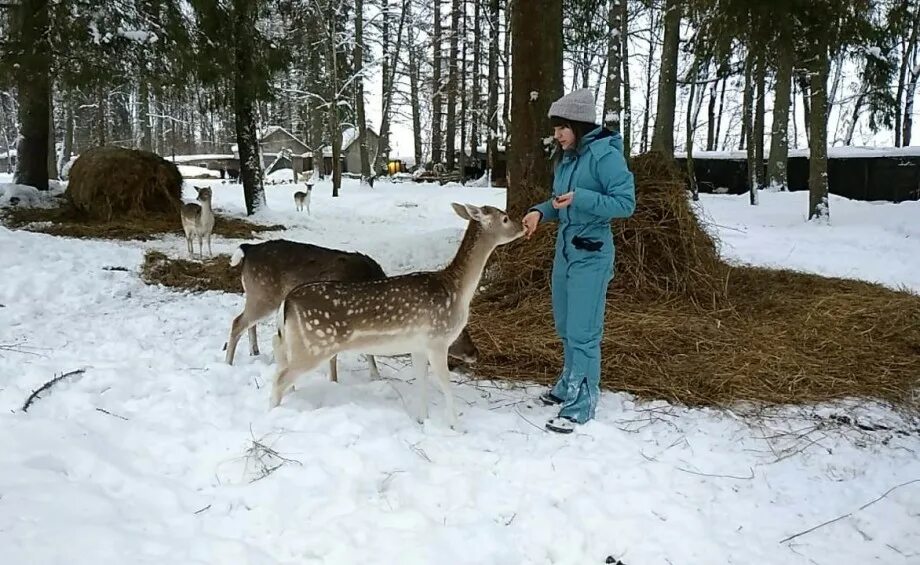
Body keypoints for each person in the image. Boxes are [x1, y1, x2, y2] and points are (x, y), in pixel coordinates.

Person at [521, 88, 636, 434]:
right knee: (565, 325)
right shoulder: (568, 158)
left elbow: (625, 204)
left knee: (584, 331)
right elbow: (560, 201)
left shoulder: (605, 157)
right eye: (556, 129)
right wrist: (540, 212)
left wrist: (582, 198)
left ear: (580, 126)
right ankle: (568, 382)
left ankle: (582, 401)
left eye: (562, 128)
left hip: (592, 252)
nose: (556, 136)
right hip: (565, 250)